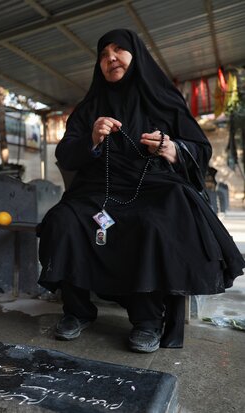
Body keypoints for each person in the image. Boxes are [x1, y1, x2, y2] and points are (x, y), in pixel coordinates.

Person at [38, 29, 244, 353]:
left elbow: (200, 149)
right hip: (99, 189)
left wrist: (171, 147)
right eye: (104, 54)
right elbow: (65, 154)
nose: (110, 58)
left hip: (153, 186)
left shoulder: (163, 99)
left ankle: (147, 320)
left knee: (153, 223)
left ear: (137, 55)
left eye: (119, 50)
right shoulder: (89, 107)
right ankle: (77, 311)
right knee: (63, 219)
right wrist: (91, 138)